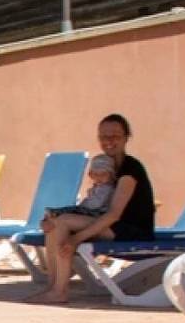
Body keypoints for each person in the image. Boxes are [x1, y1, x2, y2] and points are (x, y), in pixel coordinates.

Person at [30, 113, 155, 305]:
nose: (109, 141)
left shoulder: (130, 170)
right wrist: (51, 218)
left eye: (115, 136)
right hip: (110, 225)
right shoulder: (104, 166)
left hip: (132, 230)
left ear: (126, 137)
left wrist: (75, 239)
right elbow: (91, 207)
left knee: (62, 223)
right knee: (54, 224)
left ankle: (59, 291)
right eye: (104, 136)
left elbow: (114, 214)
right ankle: (54, 287)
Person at [44, 153, 116, 219]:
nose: (99, 177)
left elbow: (96, 204)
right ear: (91, 175)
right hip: (93, 211)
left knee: (72, 210)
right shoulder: (98, 187)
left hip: (98, 213)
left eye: (103, 174)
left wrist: (81, 207)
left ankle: (55, 213)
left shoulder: (106, 188)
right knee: (72, 210)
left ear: (110, 175)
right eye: (96, 175)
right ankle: (55, 213)